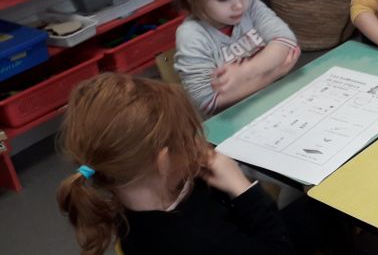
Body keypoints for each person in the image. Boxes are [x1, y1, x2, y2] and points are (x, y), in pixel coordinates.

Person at [56, 73, 296, 255]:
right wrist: (242, 188)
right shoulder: (199, 239)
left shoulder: (121, 197)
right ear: (163, 161)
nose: (197, 142)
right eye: (187, 137)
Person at [174, 0, 299, 116]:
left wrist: (245, 72)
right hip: (236, 118)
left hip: (274, 100)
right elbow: (207, 102)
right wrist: (273, 73)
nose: (239, 5)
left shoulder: (251, 5)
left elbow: (286, 42)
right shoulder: (192, 36)